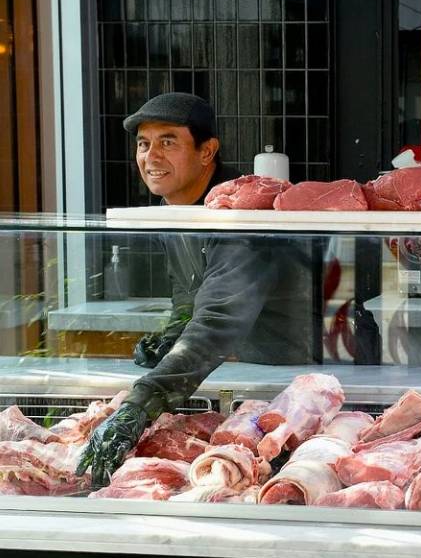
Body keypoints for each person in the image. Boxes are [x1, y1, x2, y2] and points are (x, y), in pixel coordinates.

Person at [77, 93, 318, 486]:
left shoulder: (240, 219)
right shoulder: (180, 212)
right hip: (250, 382)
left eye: (168, 141)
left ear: (208, 151)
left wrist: (137, 407)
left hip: (300, 390)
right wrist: (171, 335)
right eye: (143, 144)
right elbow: (188, 300)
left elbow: (217, 319)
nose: (151, 156)